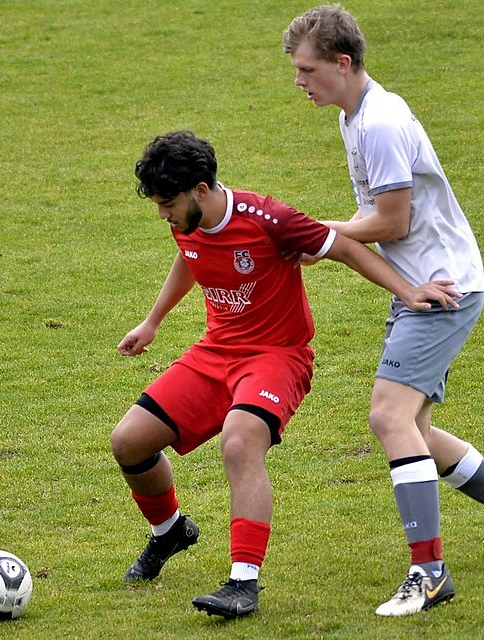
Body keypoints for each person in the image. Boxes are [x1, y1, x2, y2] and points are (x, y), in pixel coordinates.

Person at [111, 130, 460, 619]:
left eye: (168, 203)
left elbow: (343, 248)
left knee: (240, 441)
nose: (163, 214)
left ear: (202, 190)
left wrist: (408, 291)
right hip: (216, 353)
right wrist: (153, 322)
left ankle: (243, 584)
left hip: (277, 356)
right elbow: (191, 256)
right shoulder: (187, 220)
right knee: (128, 441)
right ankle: (170, 532)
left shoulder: (269, 218)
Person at [282, 5, 484, 617]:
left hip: (440, 289)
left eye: (307, 70)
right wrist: (323, 240)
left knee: (390, 416)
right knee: (417, 431)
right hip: (425, 282)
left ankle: (429, 573)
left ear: (342, 63)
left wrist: (313, 234)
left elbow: (393, 220)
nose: (299, 81)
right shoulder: (357, 114)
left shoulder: (378, 123)